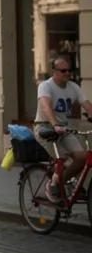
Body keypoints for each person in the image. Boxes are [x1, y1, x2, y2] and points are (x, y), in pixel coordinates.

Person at [35, 57, 92, 202]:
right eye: (63, 70)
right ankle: (53, 184)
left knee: (82, 158)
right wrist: (55, 124)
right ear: (54, 72)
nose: (67, 73)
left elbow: (86, 104)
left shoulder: (73, 87)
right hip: (45, 128)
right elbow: (46, 107)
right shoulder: (45, 86)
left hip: (64, 129)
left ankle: (62, 182)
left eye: (69, 70)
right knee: (64, 161)